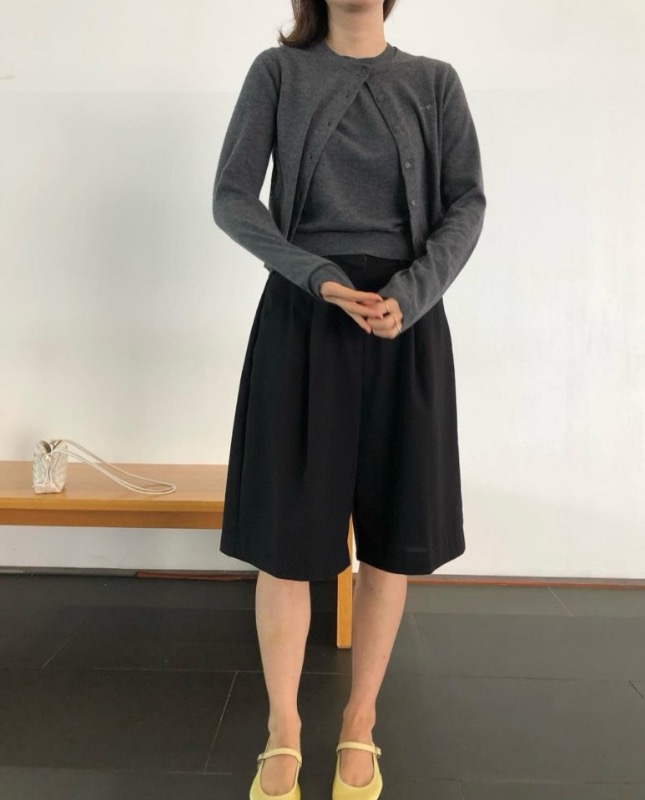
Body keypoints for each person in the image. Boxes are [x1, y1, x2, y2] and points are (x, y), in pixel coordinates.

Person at [212, 1, 486, 797]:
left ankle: (359, 722)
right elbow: (232, 197)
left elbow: (465, 203)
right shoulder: (278, 72)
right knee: (286, 536)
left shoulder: (434, 82)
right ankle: (284, 728)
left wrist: (413, 292)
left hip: (406, 322)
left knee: (391, 535)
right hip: (303, 317)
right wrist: (317, 278)